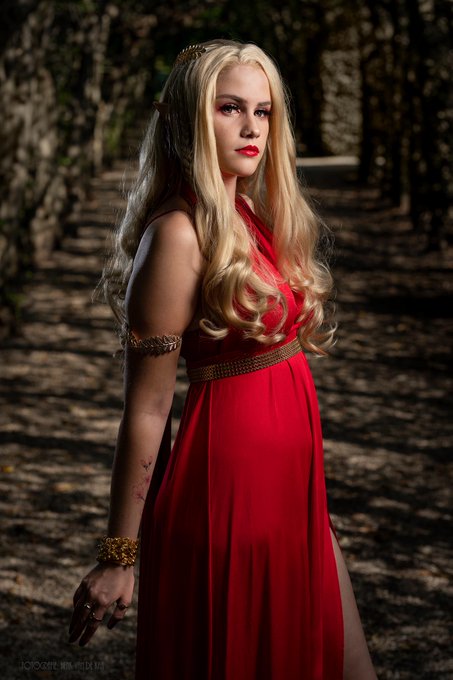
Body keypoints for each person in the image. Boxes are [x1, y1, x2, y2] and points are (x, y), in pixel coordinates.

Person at [68, 39, 377, 680]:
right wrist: (119, 555)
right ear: (187, 118)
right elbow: (147, 409)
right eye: (230, 108)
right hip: (229, 499)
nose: (251, 127)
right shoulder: (177, 235)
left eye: (263, 112)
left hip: (294, 491)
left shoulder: (250, 214)